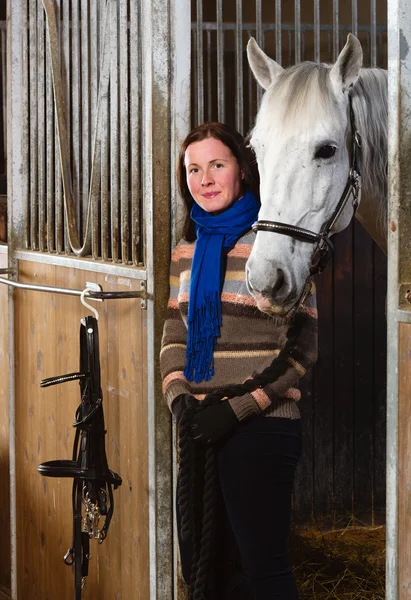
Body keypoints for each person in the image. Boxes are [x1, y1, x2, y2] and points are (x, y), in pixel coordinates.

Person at [160, 122, 318, 600]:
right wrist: (179, 400)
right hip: (200, 424)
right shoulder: (185, 251)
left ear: (242, 172)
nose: (204, 179)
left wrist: (237, 409)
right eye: (193, 169)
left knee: (260, 567)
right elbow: (173, 335)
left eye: (217, 165)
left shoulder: (277, 246)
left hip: (261, 424)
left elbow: (303, 352)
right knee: (202, 567)